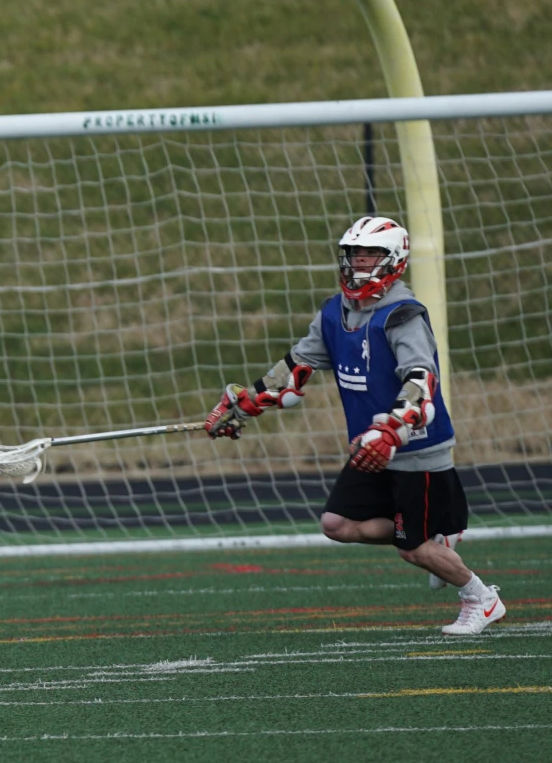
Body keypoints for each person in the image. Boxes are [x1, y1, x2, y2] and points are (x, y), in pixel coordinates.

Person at [204, 215, 504, 635]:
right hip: (370, 450)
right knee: (337, 525)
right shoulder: (334, 313)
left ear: (394, 260)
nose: (360, 264)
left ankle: (481, 598)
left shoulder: (403, 316)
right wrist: (246, 403)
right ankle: (433, 532)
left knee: (411, 549)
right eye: (354, 255)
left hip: (414, 449)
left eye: (371, 256)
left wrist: (391, 430)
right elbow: (295, 370)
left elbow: (421, 380)